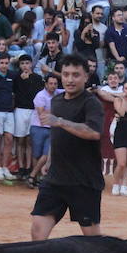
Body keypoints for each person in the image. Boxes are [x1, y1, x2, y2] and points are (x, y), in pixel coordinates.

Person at [30, 54, 104, 239]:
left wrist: (60, 121)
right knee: (38, 230)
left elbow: (93, 132)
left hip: (83, 181)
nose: (70, 79)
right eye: (66, 74)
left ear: (86, 77)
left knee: (93, 240)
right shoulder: (57, 101)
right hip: (55, 179)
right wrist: (50, 159)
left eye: (76, 75)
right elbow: (56, 136)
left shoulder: (91, 103)